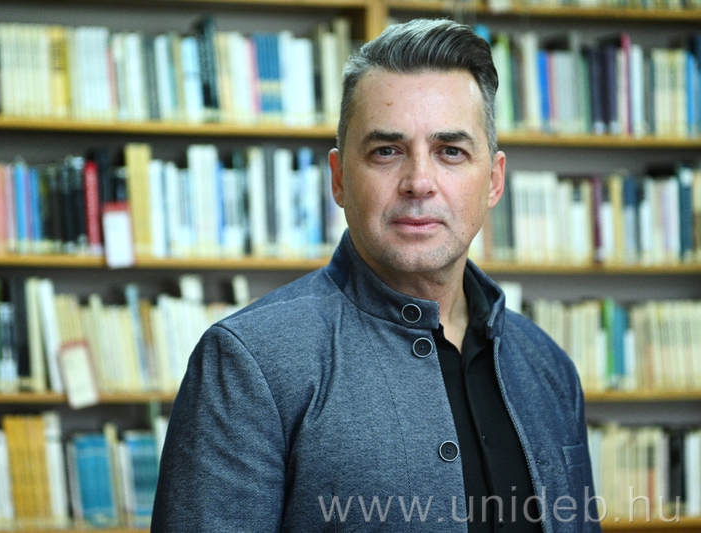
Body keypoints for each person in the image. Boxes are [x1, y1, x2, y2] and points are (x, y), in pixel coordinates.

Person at [151, 18, 600, 532]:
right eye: (387, 151)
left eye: (451, 151)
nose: (419, 182)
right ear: (340, 178)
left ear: (494, 181)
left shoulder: (549, 367)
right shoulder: (249, 364)